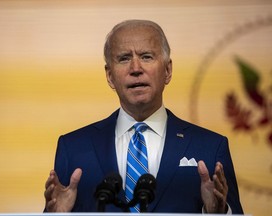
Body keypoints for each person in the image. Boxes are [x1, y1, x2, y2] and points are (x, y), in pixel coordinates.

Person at [44, 19, 243, 214]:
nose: (136, 69)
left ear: (167, 70)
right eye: (124, 58)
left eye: (146, 56)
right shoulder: (73, 148)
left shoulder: (210, 147)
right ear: (110, 76)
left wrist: (219, 214)